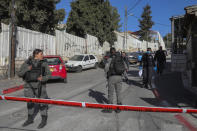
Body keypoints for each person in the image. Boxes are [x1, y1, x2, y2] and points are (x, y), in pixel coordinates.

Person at [18, 49, 51, 129]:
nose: (42, 55)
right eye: (41, 54)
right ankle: (30, 119)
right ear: (36, 55)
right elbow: (19, 74)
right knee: (29, 103)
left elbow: (49, 74)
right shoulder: (27, 62)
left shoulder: (44, 63)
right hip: (28, 86)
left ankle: (43, 120)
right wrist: (27, 69)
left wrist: (42, 78)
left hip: (40, 86)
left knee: (42, 103)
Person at [103, 47, 126, 113]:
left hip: (112, 77)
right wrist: (125, 77)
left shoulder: (109, 59)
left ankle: (110, 108)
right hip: (119, 77)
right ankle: (119, 108)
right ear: (115, 51)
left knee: (110, 93)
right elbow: (124, 67)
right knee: (119, 93)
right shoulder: (120, 58)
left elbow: (106, 69)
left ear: (110, 52)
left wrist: (107, 76)